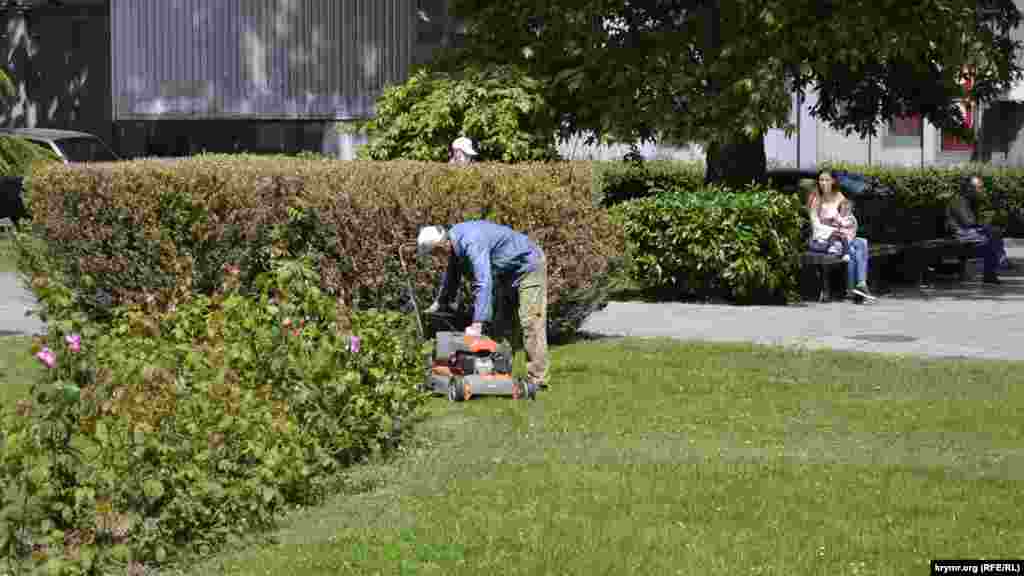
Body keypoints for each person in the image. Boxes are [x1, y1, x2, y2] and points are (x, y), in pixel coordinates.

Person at [417, 220, 549, 390]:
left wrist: (478, 322)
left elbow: (483, 282)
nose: (435, 258)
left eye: (434, 254)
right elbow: (452, 276)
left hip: (528, 266)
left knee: (531, 322)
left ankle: (537, 380)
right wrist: (439, 304)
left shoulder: (471, 241)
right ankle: (497, 376)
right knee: (500, 326)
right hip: (507, 274)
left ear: (441, 246)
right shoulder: (455, 242)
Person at [807, 169, 876, 302]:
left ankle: (860, 285)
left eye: (826, 180)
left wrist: (847, 225)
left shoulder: (839, 196)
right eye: (821, 180)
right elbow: (815, 224)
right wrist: (833, 230)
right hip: (827, 238)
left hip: (843, 235)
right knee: (854, 249)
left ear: (833, 181)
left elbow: (848, 216)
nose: (823, 183)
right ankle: (853, 290)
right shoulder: (816, 199)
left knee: (860, 244)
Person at [947, 175, 1006, 284]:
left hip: (968, 233)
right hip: (959, 234)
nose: (981, 190)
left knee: (993, 236)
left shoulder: (970, 201)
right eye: (979, 187)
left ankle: (993, 271)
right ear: (970, 188)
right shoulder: (959, 201)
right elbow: (968, 222)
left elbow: (973, 223)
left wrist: (984, 227)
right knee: (991, 237)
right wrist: (984, 226)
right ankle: (999, 263)